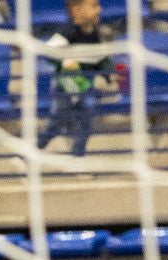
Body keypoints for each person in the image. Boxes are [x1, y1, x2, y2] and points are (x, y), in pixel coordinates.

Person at [37, 0, 112, 158]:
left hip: (83, 87)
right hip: (64, 85)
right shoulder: (67, 31)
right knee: (55, 124)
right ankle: (29, 155)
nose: (99, 9)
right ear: (77, 10)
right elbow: (48, 53)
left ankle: (77, 158)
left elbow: (100, 58)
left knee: (86, 123)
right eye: (93, 6)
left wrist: (109, 75)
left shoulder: (94, 33)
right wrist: (69, 65)